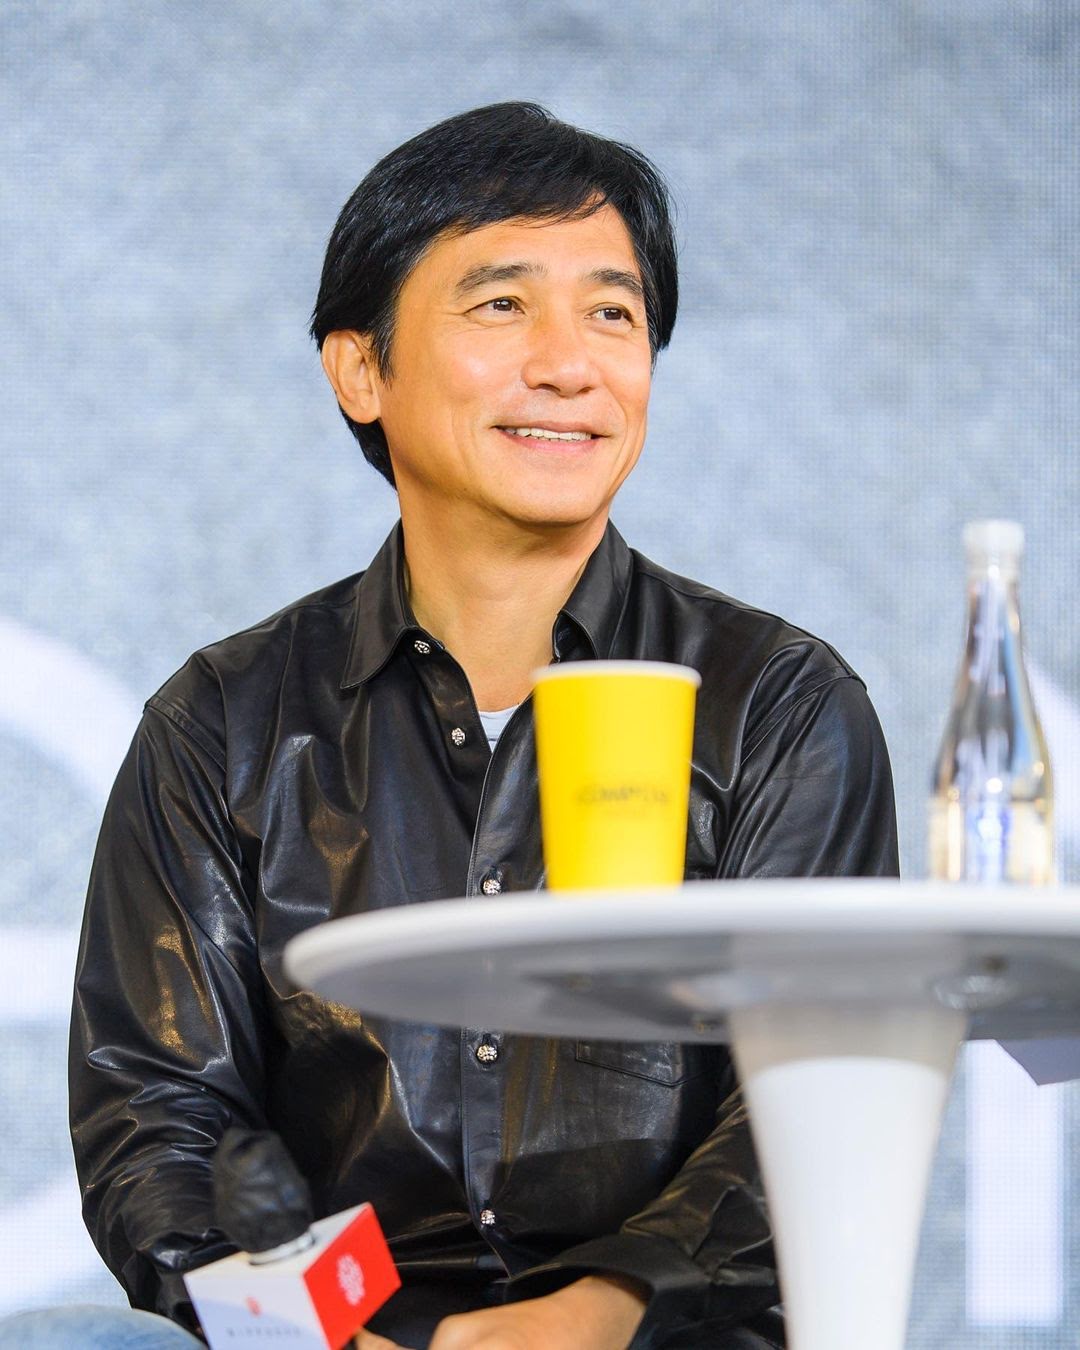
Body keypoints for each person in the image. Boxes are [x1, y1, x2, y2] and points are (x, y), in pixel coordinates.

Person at [15, 102, 899, 1350]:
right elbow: (157, 1121)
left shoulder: (779, 704)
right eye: (502, 304)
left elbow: (816, 1094)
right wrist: (329, 1336)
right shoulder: (224, 722)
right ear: (359, 370)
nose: (571, 364)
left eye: (613, 314)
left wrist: (593, 1314)